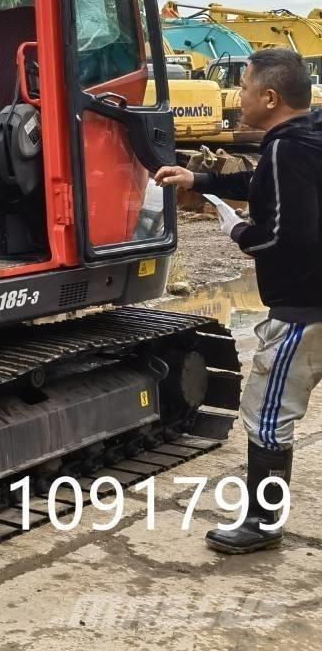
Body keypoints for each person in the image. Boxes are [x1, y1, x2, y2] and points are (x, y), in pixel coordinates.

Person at [156, 48, 322, 554]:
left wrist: (239, 232)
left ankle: (261, 524)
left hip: (302, 311)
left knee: (267, 415)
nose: (238, 96)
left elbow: (284, 236)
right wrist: (200, 179)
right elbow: (263, 185)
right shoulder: (310, 137)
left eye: (244, 88)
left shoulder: (283, 149)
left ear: (269, 98)